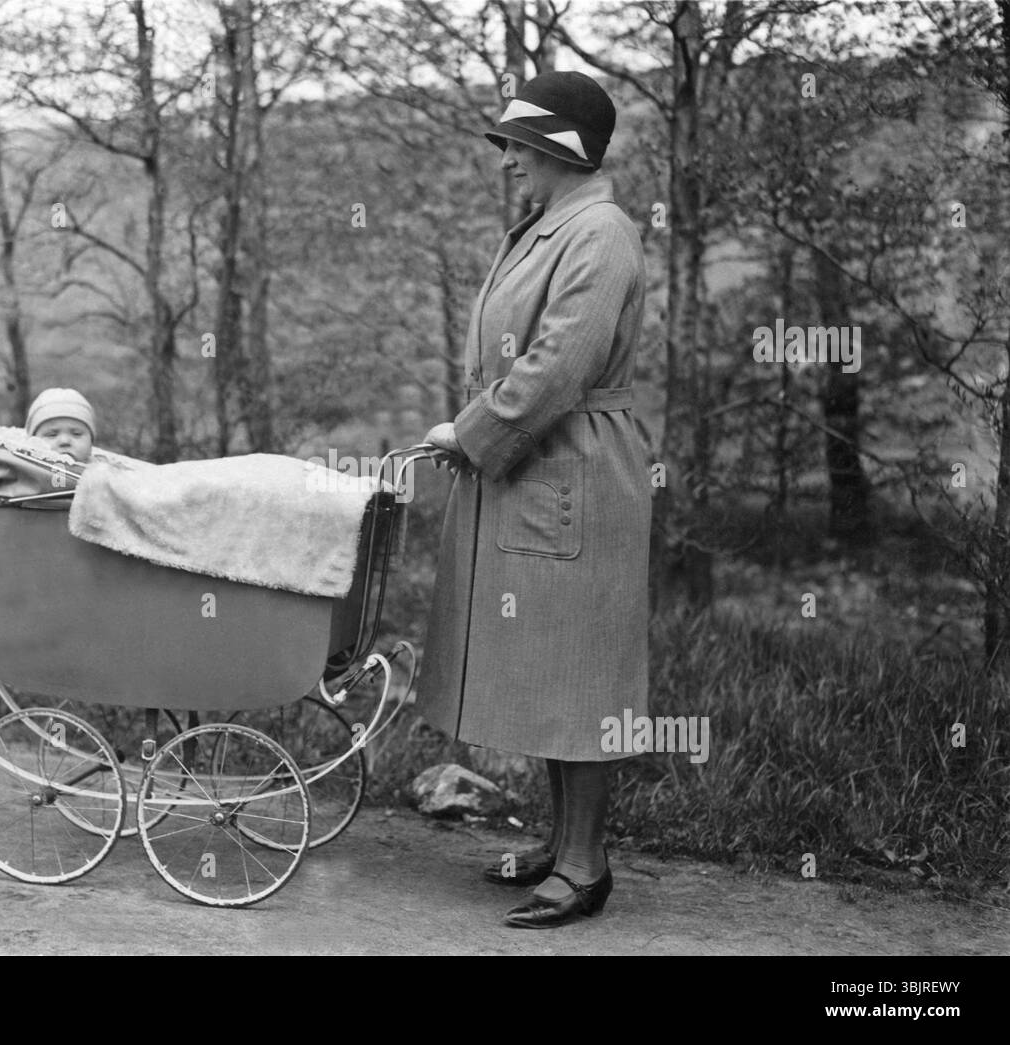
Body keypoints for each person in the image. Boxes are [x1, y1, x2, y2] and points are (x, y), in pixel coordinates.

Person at [418, 71, 650, 929]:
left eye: (520, 142)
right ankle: (563, 845)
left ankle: (586, 867)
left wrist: (472, 434)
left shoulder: (601, 233)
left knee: (582, 674)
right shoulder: (551, 227)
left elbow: (559, 364)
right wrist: (478, 434)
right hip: (542, 463)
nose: (509, 157)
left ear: (561, 148)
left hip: (577, 470)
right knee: (556, 672)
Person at [25, 387, 97, 464]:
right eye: (52, 435)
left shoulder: (102, 472)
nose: (64, 441)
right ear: (32, 442)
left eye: (76, 434)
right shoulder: (20, 470)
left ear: (91, 443)